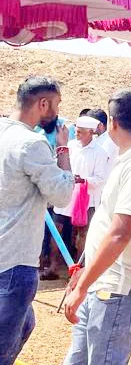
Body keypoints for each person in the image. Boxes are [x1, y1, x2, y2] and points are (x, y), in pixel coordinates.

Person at [62, 89, 131, 364]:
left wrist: (83, 285)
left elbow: (120, 234)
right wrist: (84, 276)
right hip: (106, 283)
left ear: (112, 123)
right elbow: (109, 225)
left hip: (120, 287)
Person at [0, 76, 75, 363]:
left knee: (25, 324)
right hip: (15, 260)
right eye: (56, 104)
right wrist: (63, 150)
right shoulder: (32, 143)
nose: (58, 112)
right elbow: (62, 195)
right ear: (43, 104)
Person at [54, 116, 108, 259]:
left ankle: (78, 265)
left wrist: (83, 180)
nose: (76, 134)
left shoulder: (100, 152)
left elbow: (101, 179)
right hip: (66, 193)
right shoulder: (70, 146)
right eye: (76, 131)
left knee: (83, 232)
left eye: (80, 132)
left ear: (90, 132)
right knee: (57, 228)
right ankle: (53, 264)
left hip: (86, 198)